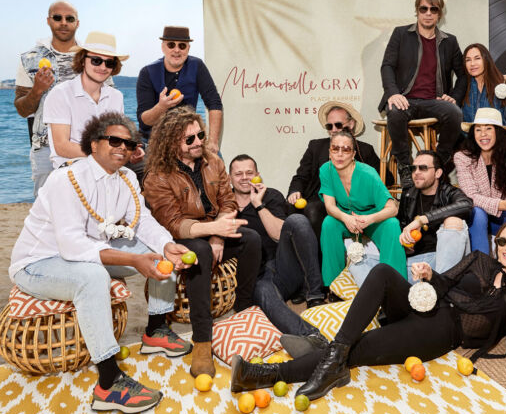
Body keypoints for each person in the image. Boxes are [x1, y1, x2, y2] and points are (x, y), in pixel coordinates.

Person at [230, 218, 506, 401]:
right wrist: (428, 275)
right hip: (426, 301)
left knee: (362, 348)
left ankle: (266, 374)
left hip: (442, 330)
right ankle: (333, 358)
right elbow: (445, 283)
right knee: (382, 272)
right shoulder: (480, 259)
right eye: (502, 241)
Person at [9, 112, 193, 414]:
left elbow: (143, 221)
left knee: (162, 254)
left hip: (88, 253)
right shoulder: (65, 179)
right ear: (93, 144)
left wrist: (166, 245)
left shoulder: (127, 178)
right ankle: (108, 383)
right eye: (114, 141)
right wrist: (134, 260)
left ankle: (156, 330)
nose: (123, 148)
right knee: (93, 277)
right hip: (39, 263)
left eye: (129, 144)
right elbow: (72, 245)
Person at [142, 107, 261, 377]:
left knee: (251, 239)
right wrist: (211, 231)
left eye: (201, 135)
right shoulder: (157, 176)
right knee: (200, 251)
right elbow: (172, 223)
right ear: (171, 142)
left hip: (211, 227)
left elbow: (228, 201)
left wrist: (218, 235)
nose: (198, 142)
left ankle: (242, 309)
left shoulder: (213, 161)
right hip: (179, 237)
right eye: (189, 139)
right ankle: (202, 341)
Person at [229, 154, 328, 352]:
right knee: (264, 294)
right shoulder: (224, 204)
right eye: (238, 174)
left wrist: (258, 204)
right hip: (258, 275)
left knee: (297, 221)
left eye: (249, 172)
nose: (244, 177)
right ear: (229, 177)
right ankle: (312, 338)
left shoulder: (271, 196)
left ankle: (314, 294)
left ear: (258, 175)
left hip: (284, 264)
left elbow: (278, 235)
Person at [378, 0, 465, 188]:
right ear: (417, 11)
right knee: (395, 111)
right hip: (405, 99)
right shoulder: (401, 34)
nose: (428, 13)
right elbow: (387, 66)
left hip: (434, 101)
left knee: (454, 113)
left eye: (433, 9)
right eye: (423, 9)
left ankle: (437, 162)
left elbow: (462, 75)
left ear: (439, 14)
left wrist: (454, 97)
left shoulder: (449, 41)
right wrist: (393, 93)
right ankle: (405, 167)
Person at [43, 31, 144, 171]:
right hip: (72, 167)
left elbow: (116, 138)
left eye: (109, 63)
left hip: (108, 166)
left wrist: (129, 151)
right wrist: (108, 154)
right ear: (82, 60)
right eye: (96, 60)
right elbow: (62, 147)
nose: (103, 67)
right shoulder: (60, 94)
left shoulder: (116, 96)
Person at [319, 130, 405, 287]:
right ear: (330, 152)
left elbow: (392, 209)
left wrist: (369, 219)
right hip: (345, 217)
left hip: (372, 218)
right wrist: (346, 218)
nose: (339, 154)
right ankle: (333, 285)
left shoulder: (368, 173)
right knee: (329, 223)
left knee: (392, 224)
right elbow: (330, 206)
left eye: (346, 150)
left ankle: (395, 285)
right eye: (335, 149)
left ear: (353, 154)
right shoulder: (326, 169)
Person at [286, 101, 381, 238]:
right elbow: (301, 176)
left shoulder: (364, 150)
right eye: (329, 126)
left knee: (313, 210)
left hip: (350, 203)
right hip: (318, 198)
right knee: (293, 206)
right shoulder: (315, 146)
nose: (334, 129)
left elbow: (384, 178)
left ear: (351, 124)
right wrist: (295, 191)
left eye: (338, 125)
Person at [15, 1, 81, 195]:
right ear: (48, 21)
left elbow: (108, 103)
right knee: (45, 207)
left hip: (85, 145)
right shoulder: (29, 58)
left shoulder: (93, 57)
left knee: (86, 206)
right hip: (45, 149)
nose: (63, 22)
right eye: (57, 18)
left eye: (69, 18)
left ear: (77, 23)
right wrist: (37, 90)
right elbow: (22, 110)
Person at [454, 108, 506, 254]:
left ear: (498, 132)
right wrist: (505, 205)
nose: (483, 134)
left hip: (503, 215)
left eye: (488, 128)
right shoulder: (462, 157)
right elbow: (471, 196)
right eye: (478, 130)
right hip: (478, 219)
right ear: (473, 134)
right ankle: (482, 265)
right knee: (478, 213)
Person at [136, 26, 224, 154]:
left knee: (217, 162)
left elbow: (214, 103)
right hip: (154, 140)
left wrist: (213, 142)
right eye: (171, 45)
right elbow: (144, 122)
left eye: (182, 46)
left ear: (188, 48)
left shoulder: (197, 66)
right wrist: (161, 107)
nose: (176, 50)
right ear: (163, 47)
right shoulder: (148, 72)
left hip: (189, 138)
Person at [397, 150, 471, 279]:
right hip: (416, 262)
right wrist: (405, 244)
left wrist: (422, 219)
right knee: (365, 260)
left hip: (444, 259)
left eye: (423, 168)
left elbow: (466, 204)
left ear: (438, 173)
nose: (416, 172)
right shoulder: (408, 194)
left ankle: (440, 284)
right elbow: (401, 225)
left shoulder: (449, 192)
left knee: (453, 221)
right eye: (413, 168)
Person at [461, 43, 506, 154]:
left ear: (486, 60)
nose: (472, 64)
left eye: (477, 58)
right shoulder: (462, 87)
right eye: (468, 60)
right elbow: (463, 125)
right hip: (480, 146)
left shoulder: (501, 83)